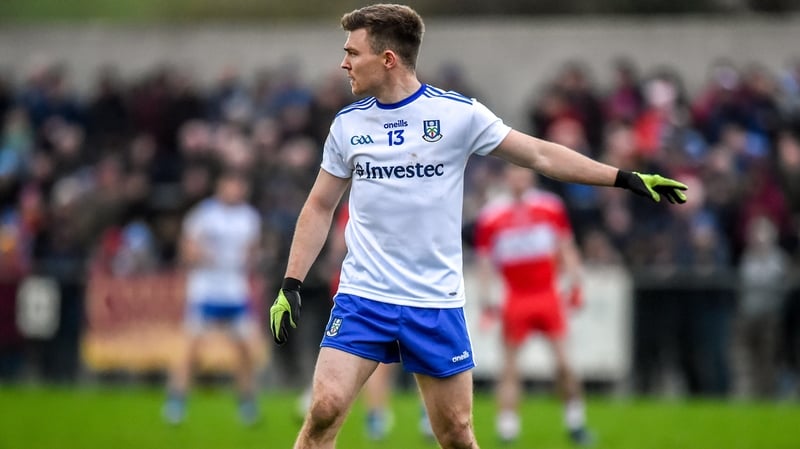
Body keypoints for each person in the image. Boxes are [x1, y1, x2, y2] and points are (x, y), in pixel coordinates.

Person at [268, 4, 687, 449]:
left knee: (456, 435)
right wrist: (291, 282)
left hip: (434, 302)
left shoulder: (458, 116)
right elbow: (319, 206)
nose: (343, 62)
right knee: (323, 412)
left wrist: (623, 177)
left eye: (352, 52)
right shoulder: (347, 125)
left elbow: (541, 155)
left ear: (388, 58)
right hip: (363, 296)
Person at [473, 164, 591, 445]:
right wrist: (486, 300)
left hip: (546, 293)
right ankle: (507, 428)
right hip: (517, 297)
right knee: (511, 366)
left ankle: (575, 421)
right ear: (506, 178)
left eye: (524, 174)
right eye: (514, 173)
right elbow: (485, 262)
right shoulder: (492, 215)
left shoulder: (550, 206)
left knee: (564, 363)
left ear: (531, 177)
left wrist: (576, 283)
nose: (519, 179)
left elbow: (565, 246)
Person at [163, 170, 263, 426]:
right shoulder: (203, 215)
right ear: (221, 186)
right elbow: (187, 249)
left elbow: (252, 252)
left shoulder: (250, 218)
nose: (235, 190)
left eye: (239, 185)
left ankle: (247, 404)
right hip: (206, 289)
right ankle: (176, 402)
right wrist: (198, 254)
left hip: (234, 289)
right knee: (192, 349)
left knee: (244, 350)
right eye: (231, 184)